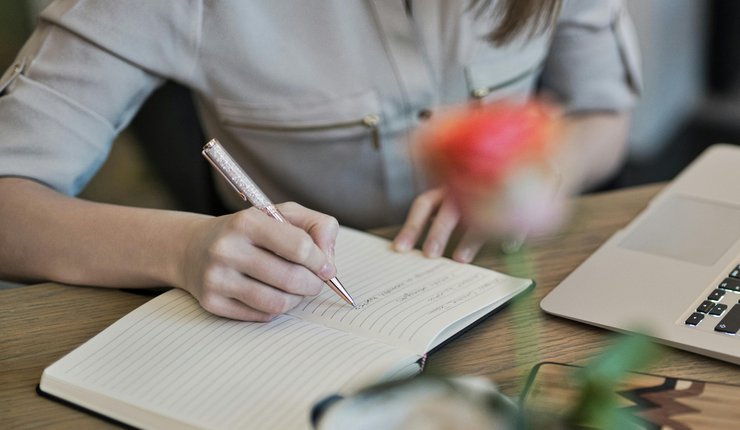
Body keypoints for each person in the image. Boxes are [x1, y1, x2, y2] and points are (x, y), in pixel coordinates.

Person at [0, 0, 640, 321]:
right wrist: (181, 248)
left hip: (516, 291)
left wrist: (544, 173)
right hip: (298, 319)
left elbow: (605, 113)